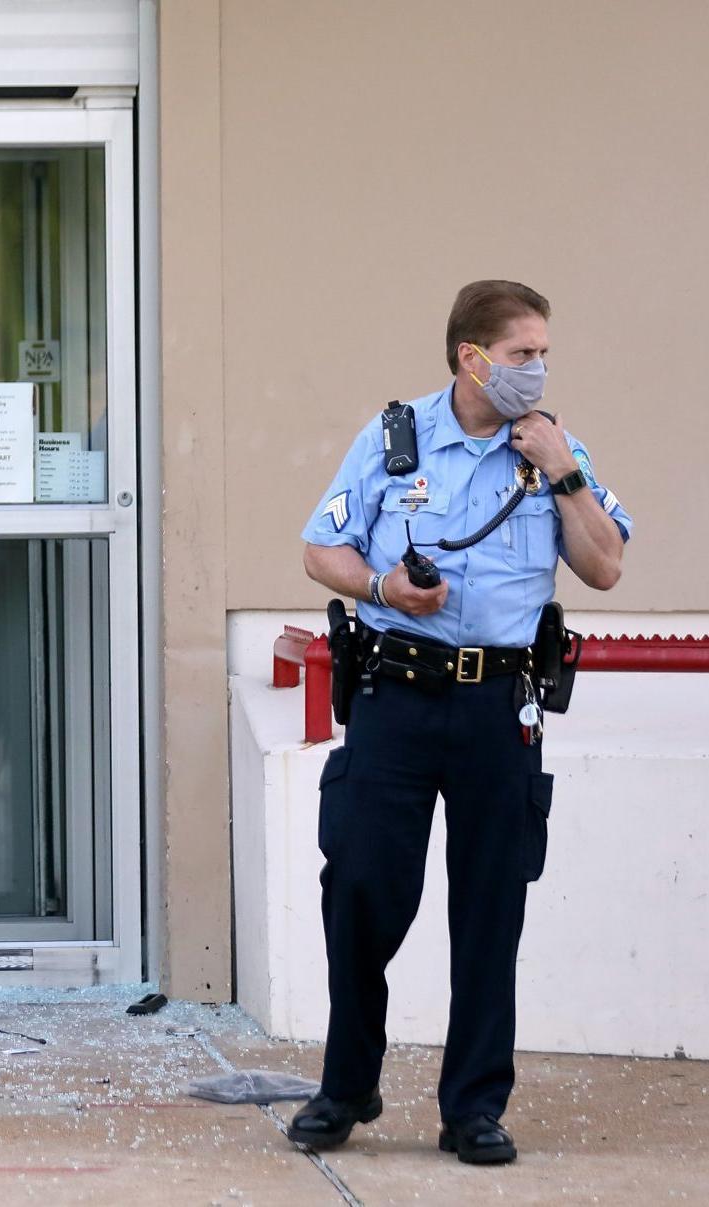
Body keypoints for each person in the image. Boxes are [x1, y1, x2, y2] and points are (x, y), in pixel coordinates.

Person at [289, 281, 632, 1163]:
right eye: (522, 354)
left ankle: (473, 1106)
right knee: (360, 887)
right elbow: (319, 545)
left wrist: (562, 468)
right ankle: (346, 1084)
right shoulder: (394, 439)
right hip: (397, 695)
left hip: (498, 706)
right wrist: (380, 587)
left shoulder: (552, 451)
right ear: (469, 357)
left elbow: (604, 568)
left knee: (489, 910)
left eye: (542, 353)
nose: (538, 369)